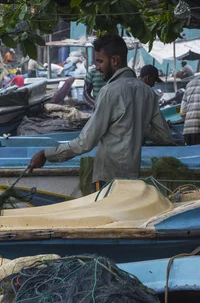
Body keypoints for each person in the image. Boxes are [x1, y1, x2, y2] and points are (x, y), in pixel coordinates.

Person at [27, 33, 172, 190]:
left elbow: (85, 142)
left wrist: (47, 154)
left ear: (114, 60)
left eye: (100, 61)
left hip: (107, 178)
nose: (97, 67)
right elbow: (164, 136)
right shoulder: (148, 92)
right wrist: (138, 125)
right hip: (133, 179)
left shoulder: (109, 92)